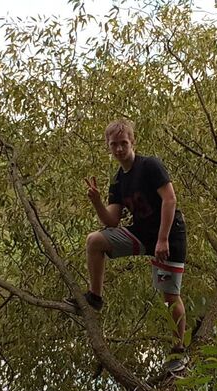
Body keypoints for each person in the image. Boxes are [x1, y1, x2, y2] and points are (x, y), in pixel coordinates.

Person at [67, 119, 187, 372]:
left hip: (169, 235)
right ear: (108, 146)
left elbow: (170, 199)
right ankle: (95, 297)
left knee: (169, 296)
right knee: (95, 241)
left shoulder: (150, 165)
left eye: (123, 143)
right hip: (141, 234)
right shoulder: (118, 180)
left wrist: (163, 239)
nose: (119, 149)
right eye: (114, 144)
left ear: (133, 142)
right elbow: (112, 221)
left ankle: (178, 350)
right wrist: (97, 202)